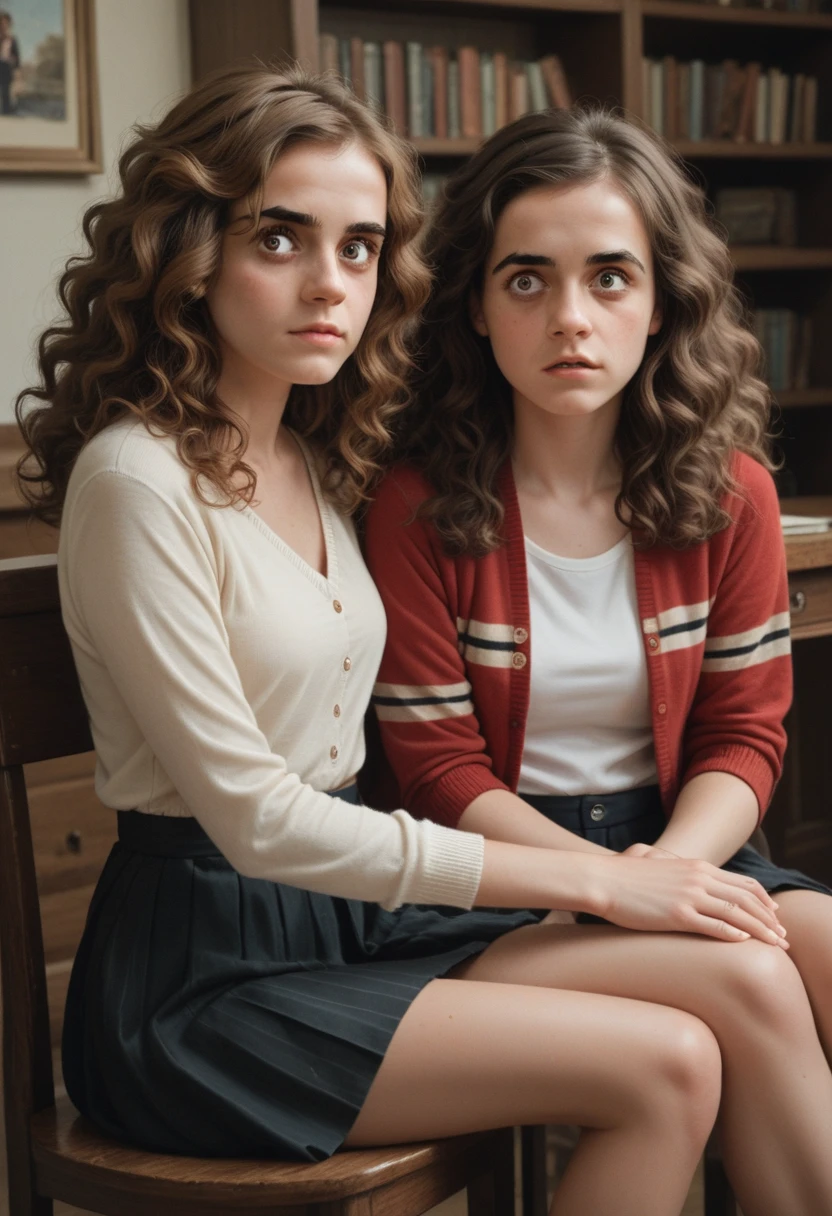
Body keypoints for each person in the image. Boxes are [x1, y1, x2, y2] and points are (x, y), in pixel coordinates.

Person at [13, 68, 819, 1216]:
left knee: (746, 983)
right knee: (675, 1057)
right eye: (281, 239)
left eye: (358, 247)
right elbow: (257, 818)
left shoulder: (310, 452)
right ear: (188, 250)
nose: (328, 286)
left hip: (354, 917)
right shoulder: (138, 481)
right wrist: (594, 877)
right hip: (200, 978)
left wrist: (625, 878)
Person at [364, 105, 832, 1215]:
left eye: (610, 277)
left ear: (662, 297)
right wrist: (617, 891)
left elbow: (743, 733)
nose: (570, 316)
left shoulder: (731, 496)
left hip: (676, 848)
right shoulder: (414, 505)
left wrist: (665, 875)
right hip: (480, 890)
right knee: (751, 979)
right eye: (527, 279)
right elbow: (438, 775)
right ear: (474, 303)